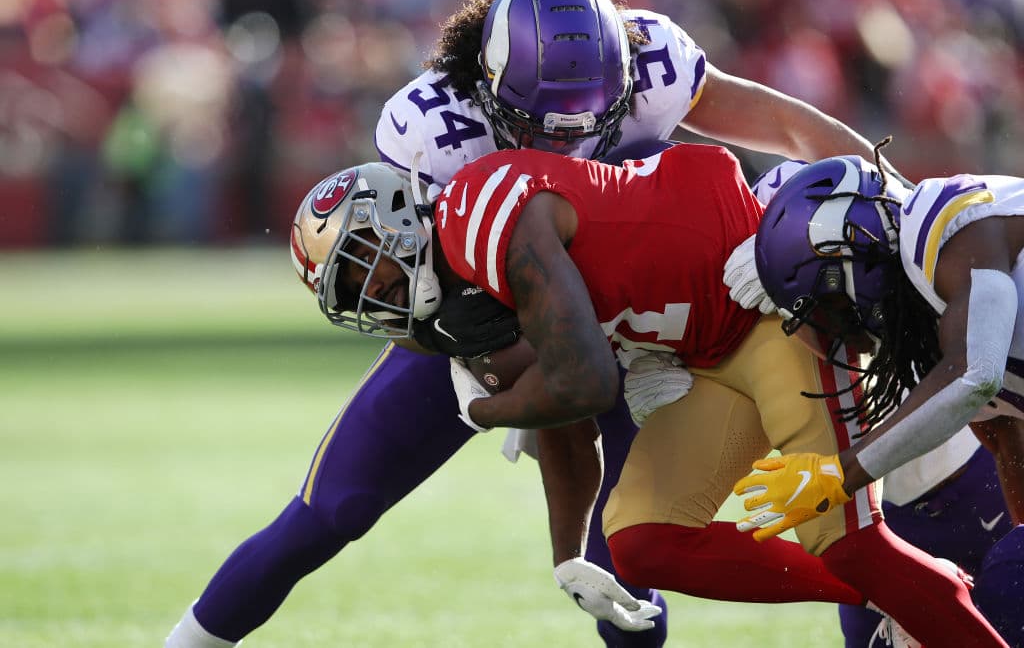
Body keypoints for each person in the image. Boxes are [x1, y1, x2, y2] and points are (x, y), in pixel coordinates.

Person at [167, 0, 914, 646]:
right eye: (540, 127)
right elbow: (414, 301)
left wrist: (908, 217)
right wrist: (495, 373)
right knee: (333, 506)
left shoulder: (652, 58)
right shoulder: (435, 129)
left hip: (644, 329)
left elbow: (795, 131)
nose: (570, 144)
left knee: (628, 565)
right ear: (488, 87)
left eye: (590, 121)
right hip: (485, 321)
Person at [292, 139, 1008, 645]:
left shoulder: (481, 224)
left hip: (773, 308)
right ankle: (904, 591)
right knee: (642, 540)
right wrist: (566, 552)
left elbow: (584, 382)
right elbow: (567, 420)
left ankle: (922, 598)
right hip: (711, 350)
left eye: (362, 266)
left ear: (396, 220)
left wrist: (484, 408)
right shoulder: (459, 303)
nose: (370, 292)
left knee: (848, 541)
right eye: (349, 291)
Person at [747, 160, 1024, 648]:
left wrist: (841, 473)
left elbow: (974, 376)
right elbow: (1009, 441)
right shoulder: (933, 320)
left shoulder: (946, 223)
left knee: (1010, 581)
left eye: (829, 305)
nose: (835, 332)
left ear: (857, 251)